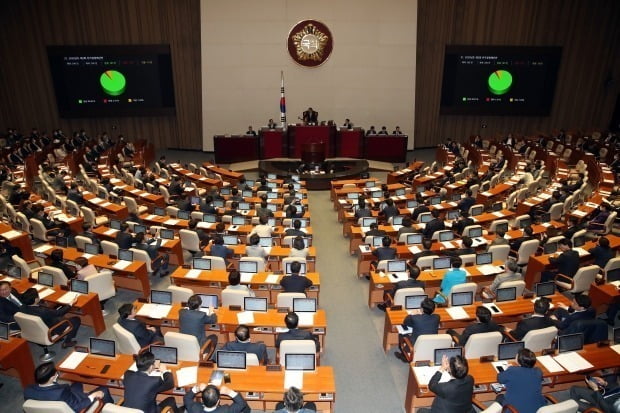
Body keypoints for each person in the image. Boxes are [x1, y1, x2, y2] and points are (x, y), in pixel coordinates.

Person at [24, 361, 114, 410]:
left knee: (77, 383)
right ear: (51, 378)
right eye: (56, 373)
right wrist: (93, 395)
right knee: (104, 389)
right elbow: (77, 407)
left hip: (57, 402)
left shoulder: (28, 390)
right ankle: (111, 409)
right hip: (76, 406)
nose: (57, 374)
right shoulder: (61, 392)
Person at [496, 348, 546, 413]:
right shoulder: (538, 371)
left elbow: (500, 379)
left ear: (519, 360)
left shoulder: (513, 371)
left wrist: (507, 370)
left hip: (515, 409)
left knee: (499, 397)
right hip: (537, 408)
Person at [395, 297, 440, 362]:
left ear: (421, 309)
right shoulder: (437, 317)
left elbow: (405, 322)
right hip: (431, 344)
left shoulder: (415, 318)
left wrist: (411, 314)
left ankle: (404, 356)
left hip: (416, 344)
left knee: (402, 333)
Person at [184, 384, 250, 413]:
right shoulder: (226, 410)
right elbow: (242, 403)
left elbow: (186, 398)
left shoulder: (194, 408)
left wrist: (197, 388)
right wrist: (229, 392)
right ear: (218, 401)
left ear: (203, 400)